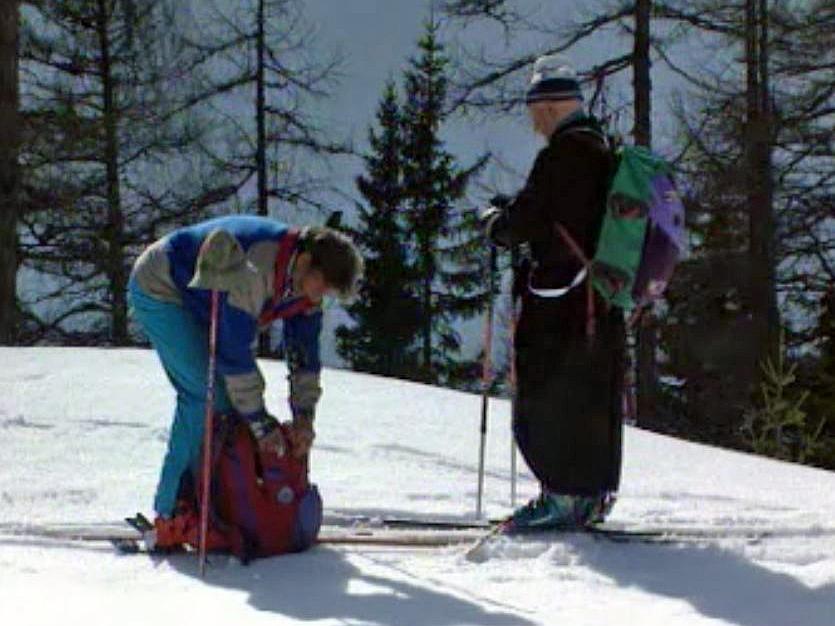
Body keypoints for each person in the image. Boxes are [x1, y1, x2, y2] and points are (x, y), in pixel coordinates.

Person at [128, 215, 363, 537]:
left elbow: (304, 358)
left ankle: (209, 502)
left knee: (224, 402)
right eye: (321, 285)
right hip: (163, 285)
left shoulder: (304, 285)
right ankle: (169, 513)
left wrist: (304, 418)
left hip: (205, 296)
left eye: (328, 292)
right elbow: (235, 356)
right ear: (306, 261)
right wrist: (260, 423)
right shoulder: (256, 270)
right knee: (205, 394)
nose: (320, 296)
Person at [481, 54, 626, 531]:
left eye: (534, 112)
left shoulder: (564, 155)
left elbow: (528, 219)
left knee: (547, 394)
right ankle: (588, 493)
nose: (533, 123)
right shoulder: (602, 149)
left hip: (561, 298)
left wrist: (496, 223)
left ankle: (562, 495)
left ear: (546, 108)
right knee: (591, 394)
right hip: (599, 298)